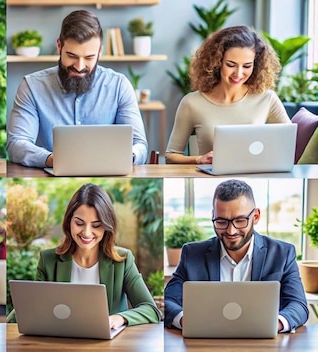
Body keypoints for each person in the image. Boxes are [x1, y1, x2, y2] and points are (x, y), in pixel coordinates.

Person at [6, 10, 148, 168]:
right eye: (72, 56)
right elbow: (16, 144)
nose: (80, 67)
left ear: (100, 52)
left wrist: (129, 156)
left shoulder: (119, 86)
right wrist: (52, 159)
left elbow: (139, 144)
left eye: (89, 57)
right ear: (59, 46)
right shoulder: (31, 86)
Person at [164, 179, 308, 332]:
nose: (231, 231)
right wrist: (186, 320)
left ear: (256, 216)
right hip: (207, 342)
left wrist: (274, 324)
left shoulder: (283, 253)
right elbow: (168, 300)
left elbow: (298, 305)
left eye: (240, 221)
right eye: (221, 221)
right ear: (213, 216)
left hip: (263, 344)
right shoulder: (191, 254)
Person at [35, 183, 161, 328]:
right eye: (79, 223)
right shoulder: (48, 260)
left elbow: (151, 309)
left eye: (96, 225)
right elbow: (34, 308)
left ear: (107, 226)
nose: (87, 233)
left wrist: (119, 318)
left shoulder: (122, 260)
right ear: (69, 221)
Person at [165, 26, 290, 164]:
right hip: (210, 180)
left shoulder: (267, 98)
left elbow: (289, 144)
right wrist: (199, 159)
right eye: (231, 65)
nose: (238, 73)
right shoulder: (192, 102)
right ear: (217, 62)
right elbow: (171, 156)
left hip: (256, 178)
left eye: (247, 66)